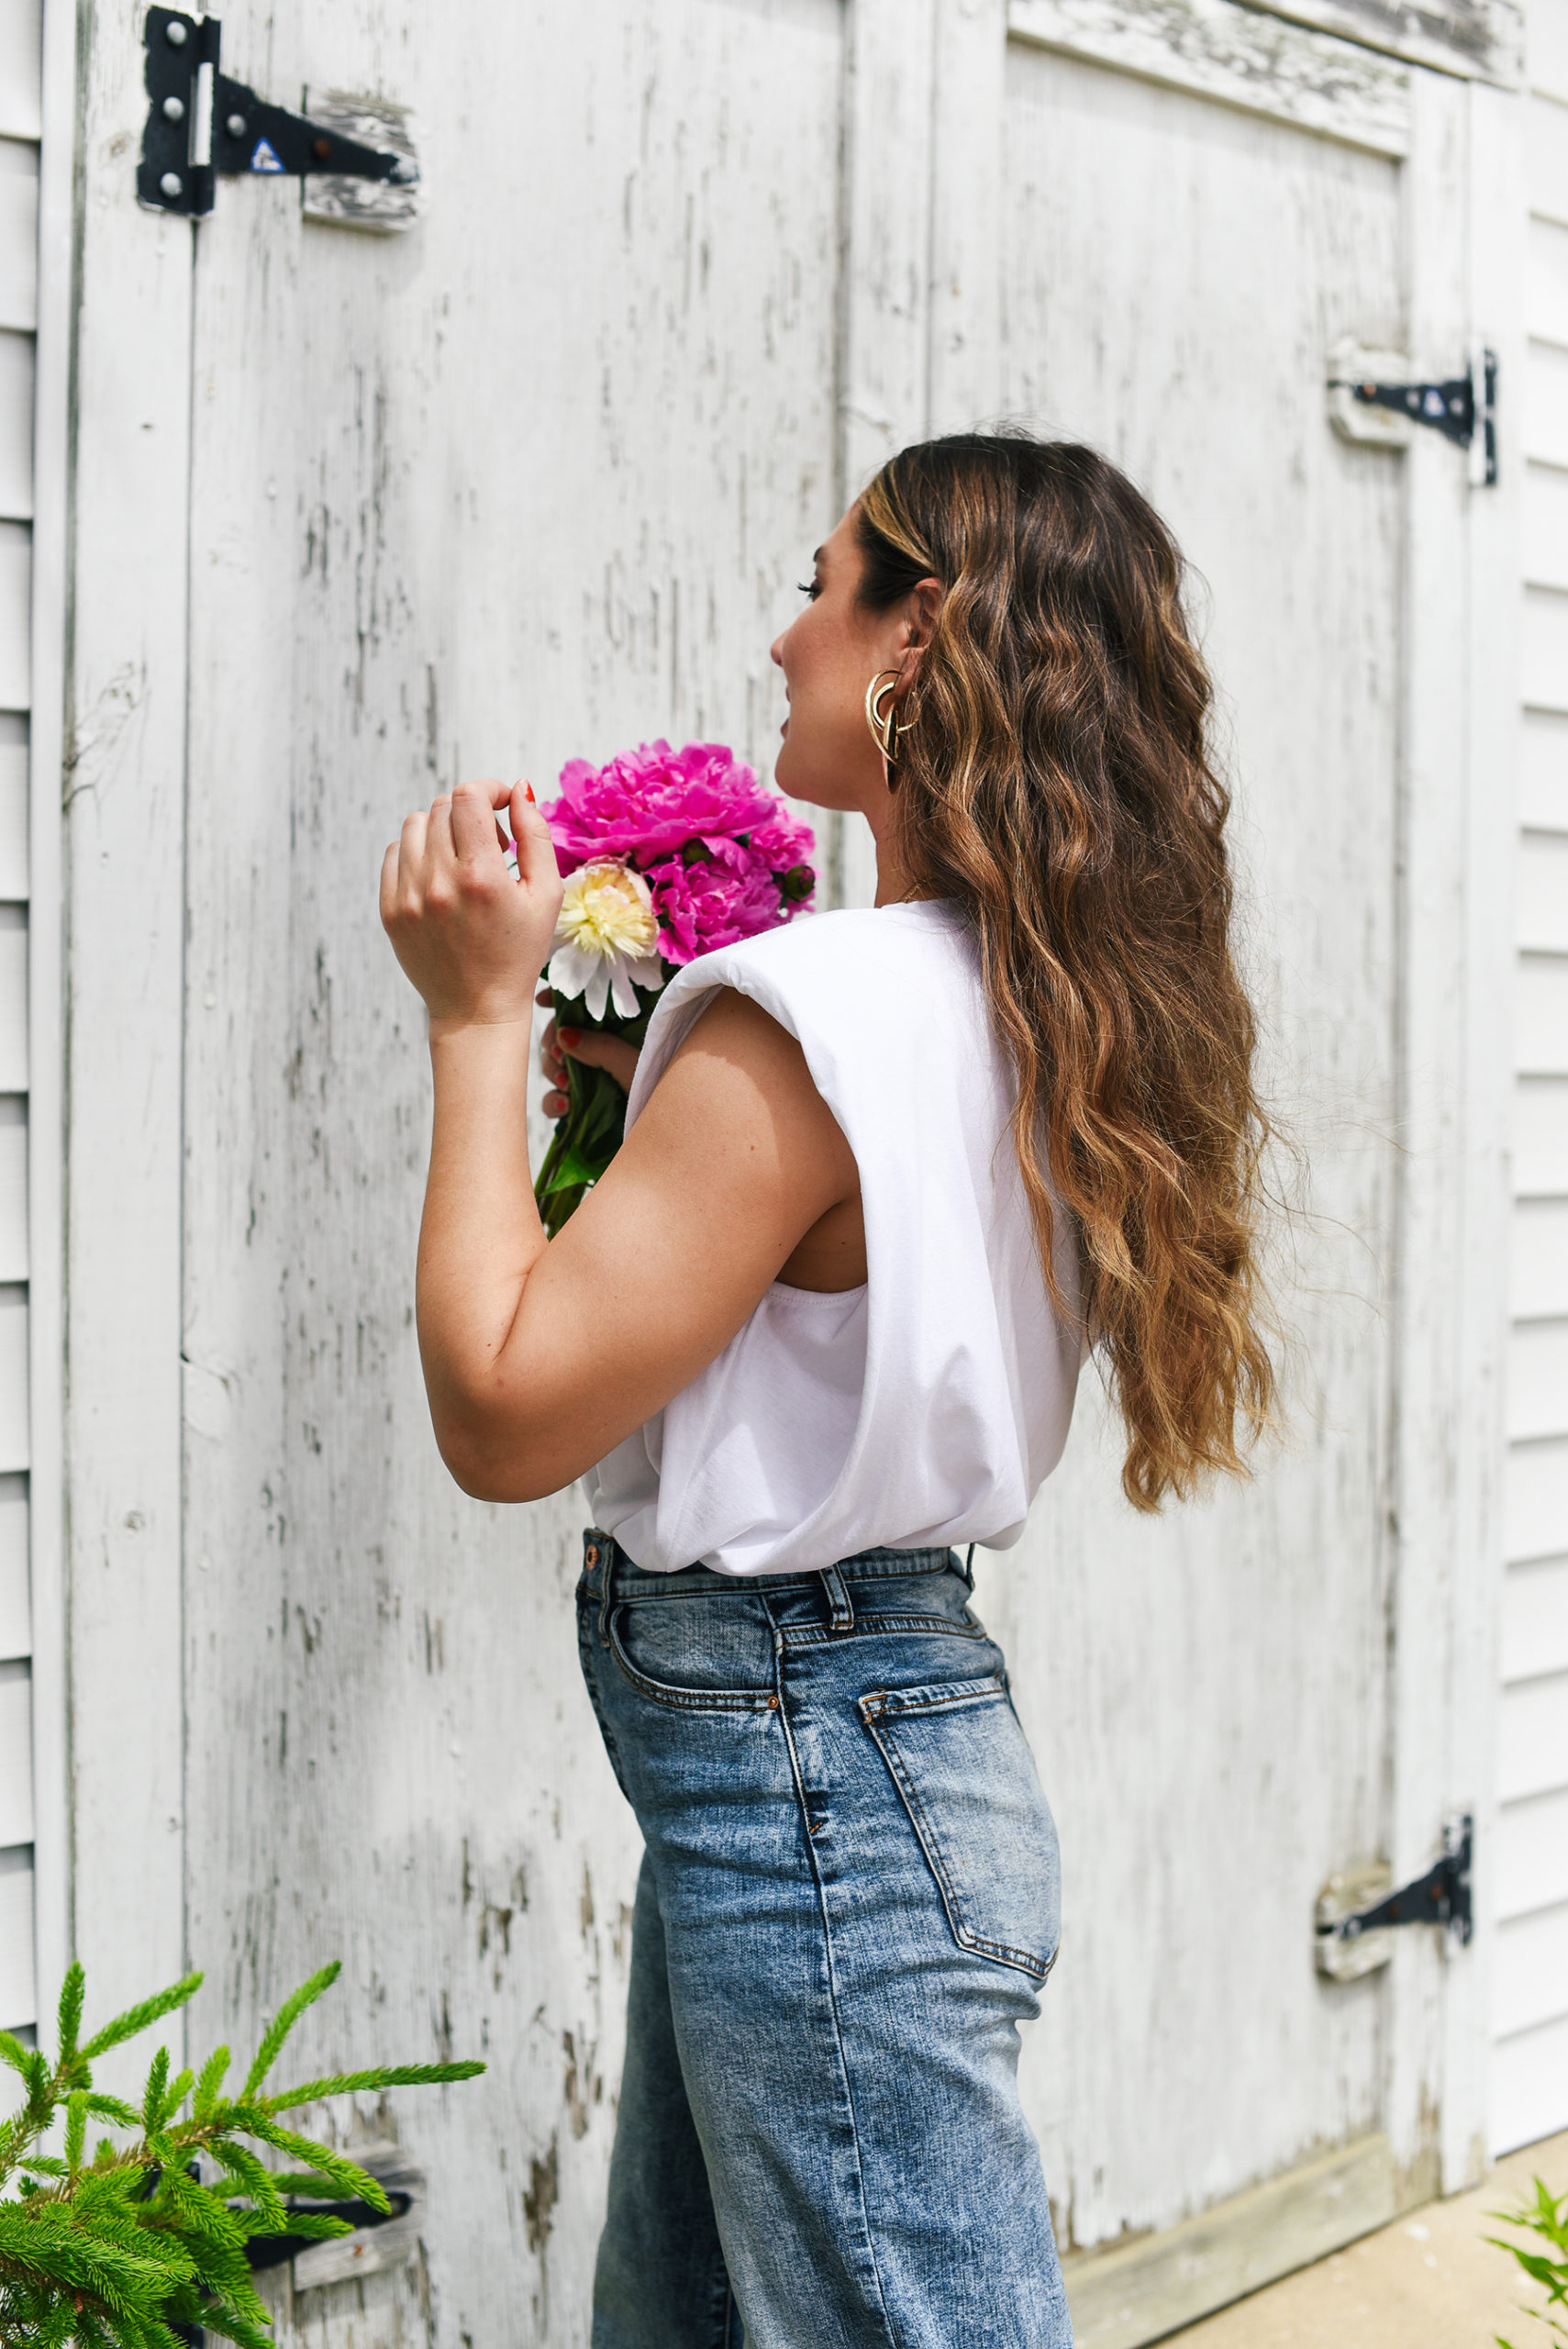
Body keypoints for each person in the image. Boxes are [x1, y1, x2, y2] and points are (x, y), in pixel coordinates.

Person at [380, 432, 1275, 2349]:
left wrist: (473, 1020)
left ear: (917, 638)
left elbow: (504, 1408)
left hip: (808, 1778)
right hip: (861, 1748)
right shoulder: (1043, 993)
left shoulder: (811, 1015)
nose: (784, 631)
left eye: (823, 580)